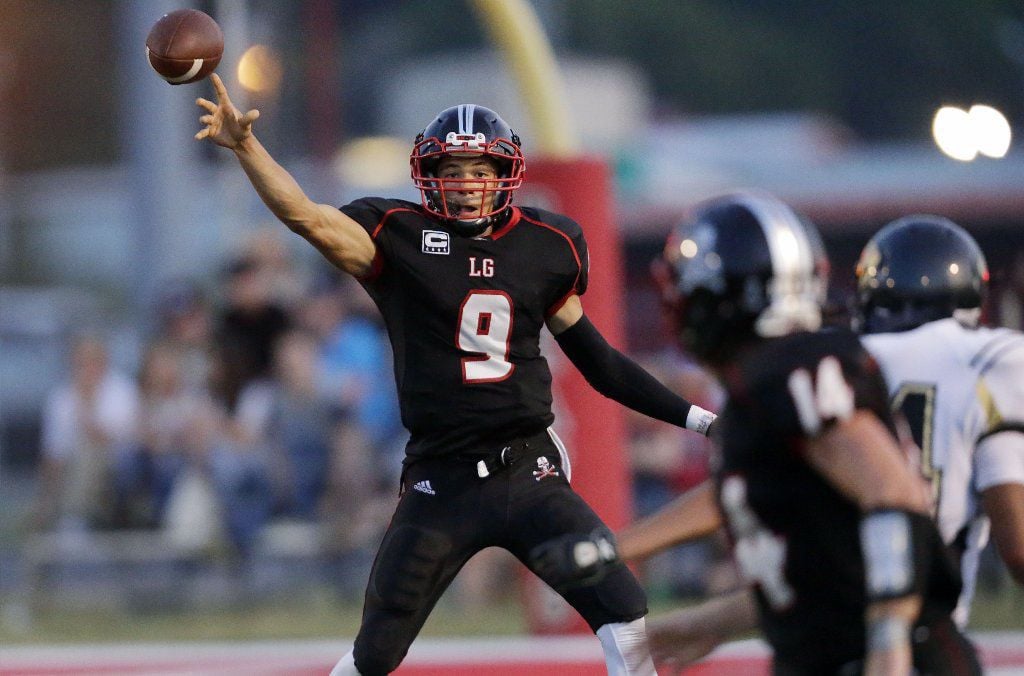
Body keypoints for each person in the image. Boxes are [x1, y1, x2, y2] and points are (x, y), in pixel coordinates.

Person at [194, 74, 717, 675]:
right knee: (377, 649)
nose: (466, 184)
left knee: (621, 606)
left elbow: (601, 364)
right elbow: (306, 217)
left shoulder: (548, 245)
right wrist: (247, 148)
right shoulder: (398, 235)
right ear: (428, 177)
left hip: (528, 468)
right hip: (440, 478)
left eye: (479, 169)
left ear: (504, 175)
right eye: (452, 170)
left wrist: (702, 422)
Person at [616, 215, 1024, 673]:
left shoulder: (802, 371)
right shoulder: (778, 384)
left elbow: (894, 500)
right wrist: (708, 621)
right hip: (867, 644)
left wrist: (888, 639)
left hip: (897, 647)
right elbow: (832, 569)